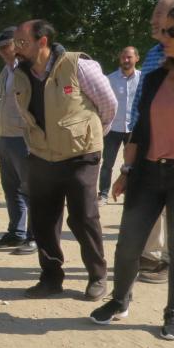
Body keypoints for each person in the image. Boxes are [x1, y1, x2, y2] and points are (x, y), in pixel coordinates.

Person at [89, 1, 174, 341]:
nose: (162, 38)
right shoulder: (155, 78)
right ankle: (119, 301)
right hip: (147, 174)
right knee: (128, 245)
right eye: (163, 31)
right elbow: (140, 129)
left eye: (172, 32)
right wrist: (126, 169)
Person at [12, 19, 117, 300]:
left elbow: (108, 105)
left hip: (80, 155)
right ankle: (50, 278)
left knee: (84, 216)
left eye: (22, 42)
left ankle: (97, 275)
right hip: (41, 155)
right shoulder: (18, 74)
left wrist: (89, 137)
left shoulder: (78, 65)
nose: (16, 49)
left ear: (42, 41)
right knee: (43, 220)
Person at [128, 0, 174, 284]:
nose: (154, 19)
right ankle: (150, 255)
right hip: (147, 134)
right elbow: (144, 97)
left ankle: (170, 259)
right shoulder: (154, 51)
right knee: (147, 193)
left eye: (160, 14)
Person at [0, 26, 37, 255]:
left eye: (6, 46)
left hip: (24, 137)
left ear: (17, 45)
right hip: (6, 136)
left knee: (31, 189)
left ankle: (35, 236)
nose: (3, 52)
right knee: (11, 189)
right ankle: (16, 232)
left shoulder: (28, 70)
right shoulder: (5, 71)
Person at [98, 47, 140, 206]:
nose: (126, 60)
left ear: (137, 58)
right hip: (113, 129)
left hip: (134, 129)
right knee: (107, 163)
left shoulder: (143, 79)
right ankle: (102, 194)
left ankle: (132, 195)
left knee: (134, 164)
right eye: (123, 57)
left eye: (129, 57)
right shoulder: (109, 79)